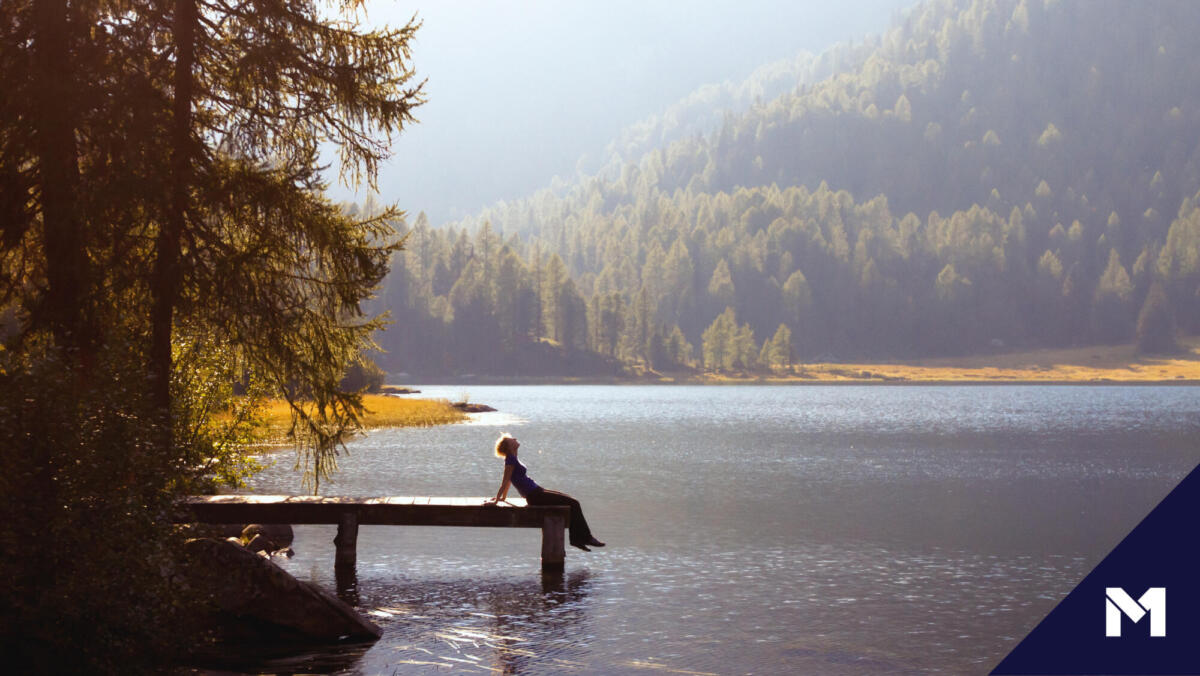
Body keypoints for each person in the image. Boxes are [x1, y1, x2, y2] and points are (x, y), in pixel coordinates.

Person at [483, 433, 605, 552]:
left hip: (537, 491)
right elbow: (505, 481)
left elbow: (510, 480)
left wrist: (503, 498)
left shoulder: (513, 457)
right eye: (511, 439)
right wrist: (497, 500)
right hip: (535, 496)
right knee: (574, 503)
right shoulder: (510, 460)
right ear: (509, 446)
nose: (514, 438)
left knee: (570, 501)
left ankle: (578, 539)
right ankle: (584, 538)